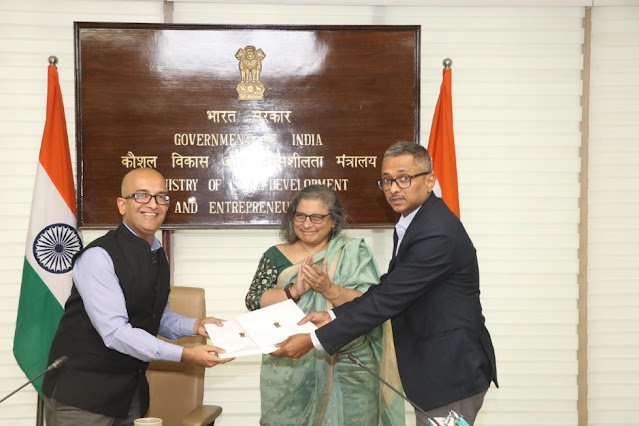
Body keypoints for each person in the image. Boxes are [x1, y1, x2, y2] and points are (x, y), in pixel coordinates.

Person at [273, 142, 498, 425]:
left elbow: (387, 301)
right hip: (435, 369)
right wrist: (333, 315)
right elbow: (387, 288)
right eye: (387, 180)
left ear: (429, 181)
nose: (393, 188)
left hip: (451, 372)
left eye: (404, 178)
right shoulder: (413, 223)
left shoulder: (436, 233)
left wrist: (314, 340)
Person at [43, 168, 232, 425]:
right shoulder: (99, 256)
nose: (153, 204)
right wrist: (185, 354)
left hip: (129, 393)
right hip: (82, 396)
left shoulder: (156, 253)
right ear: (122, 205)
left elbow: (155, 316)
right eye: (141, 195)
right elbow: (115, 332)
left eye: (161, 197)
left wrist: (196, 326)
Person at [245, 185, 404, 426]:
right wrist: (294, 291)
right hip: (291, 365)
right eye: (300, 216)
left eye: (316, 217)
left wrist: (329, 288)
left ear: (333, 221)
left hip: (351, 364)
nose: (307, 223)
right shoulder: (275, 255)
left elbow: (371, 305)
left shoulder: (352, 252)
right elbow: (254, 301)